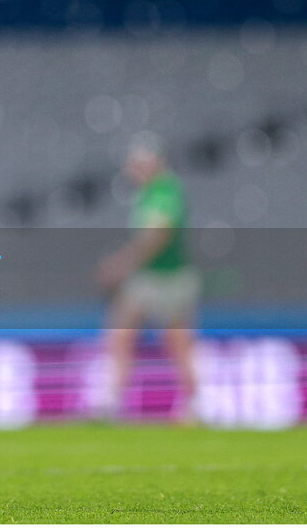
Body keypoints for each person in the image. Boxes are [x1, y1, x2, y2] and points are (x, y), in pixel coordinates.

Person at [95, 134, 200, 422]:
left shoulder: (164, 192)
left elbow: (158, 235)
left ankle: (193, 404)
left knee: (176, 343)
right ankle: (112, 400)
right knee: (121, 333)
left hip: (167, 279)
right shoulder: (151, 192)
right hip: (151, 277)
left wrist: (123, 263)